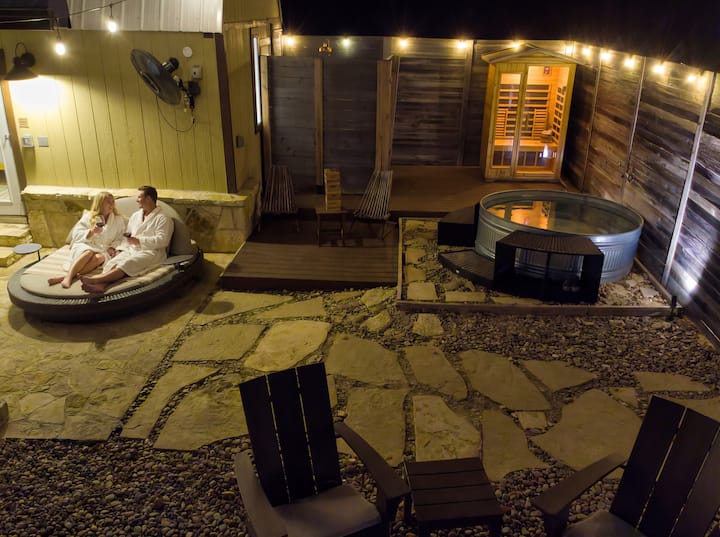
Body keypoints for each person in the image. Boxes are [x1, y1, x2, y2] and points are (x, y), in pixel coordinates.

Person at [80, 185, 174, 294]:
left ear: (148, 198)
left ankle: (96, 279)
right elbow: (126, 237)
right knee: (114, 262)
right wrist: (120, 249)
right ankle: (101, 285)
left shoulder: (163, 218)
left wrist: (139, 241)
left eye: (139, 197)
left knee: (128, 263)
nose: (136, 200)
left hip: (152, 252)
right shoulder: (135, 216)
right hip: (131, 249)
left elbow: (163, 240)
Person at [48, 191, 126, 288]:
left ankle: (65, 277)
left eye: (112, 201)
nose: (111, 204)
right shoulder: (89, 216)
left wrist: (112, 247)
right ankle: (68, 278)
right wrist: (91, 232)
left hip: (103, 248)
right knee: (88, 252)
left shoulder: (118, 220)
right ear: (100, 203)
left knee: (99, 258)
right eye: (108, 202)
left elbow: (120, 238)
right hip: (86, 244)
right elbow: (76, 234)